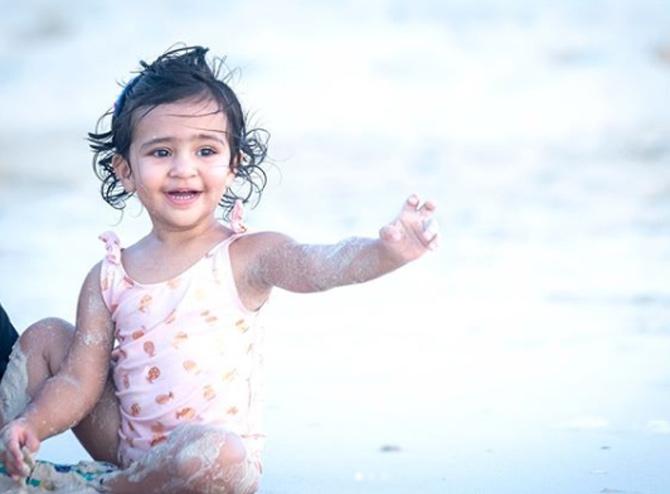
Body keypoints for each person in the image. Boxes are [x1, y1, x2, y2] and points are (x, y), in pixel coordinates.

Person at [0, 45, 438, 493]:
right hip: (126, 448)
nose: (183, 169)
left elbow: (321, 265)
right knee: (48, 336)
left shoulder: (246, 255)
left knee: (218, 452)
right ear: (125, 171)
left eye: (206, 150)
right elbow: (79, 381)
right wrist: (33, 423)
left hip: (211, 466)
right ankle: (9, 451)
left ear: (233, 165)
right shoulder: (109, 275)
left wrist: (387, 253)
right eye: (161, 152)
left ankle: (112, 490)